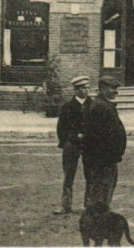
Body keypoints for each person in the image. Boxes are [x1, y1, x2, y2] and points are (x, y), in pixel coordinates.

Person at [83, 76, 126, 210]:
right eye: (112, 88)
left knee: (104, 188)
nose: (116, 92)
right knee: (102, 189)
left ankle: (98, 214)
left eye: (116, 88)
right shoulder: (101, 107)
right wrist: (110, 155)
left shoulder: (104, 104)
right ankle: (97, 218)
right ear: (102, 89)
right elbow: (100, 137)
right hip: (103, 159)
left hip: (106, 158)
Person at [54, 76, 92, 215]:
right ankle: (66, 205)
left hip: (88, 145)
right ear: (75, 90)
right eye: (83, 88)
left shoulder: (93, 105)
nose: (86, 90)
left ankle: (89, 205)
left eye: (88, 87)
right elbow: (61, 127)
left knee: (91, 175)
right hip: (72, 145)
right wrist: (66, 142)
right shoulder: (67, 107)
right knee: (68, 175)